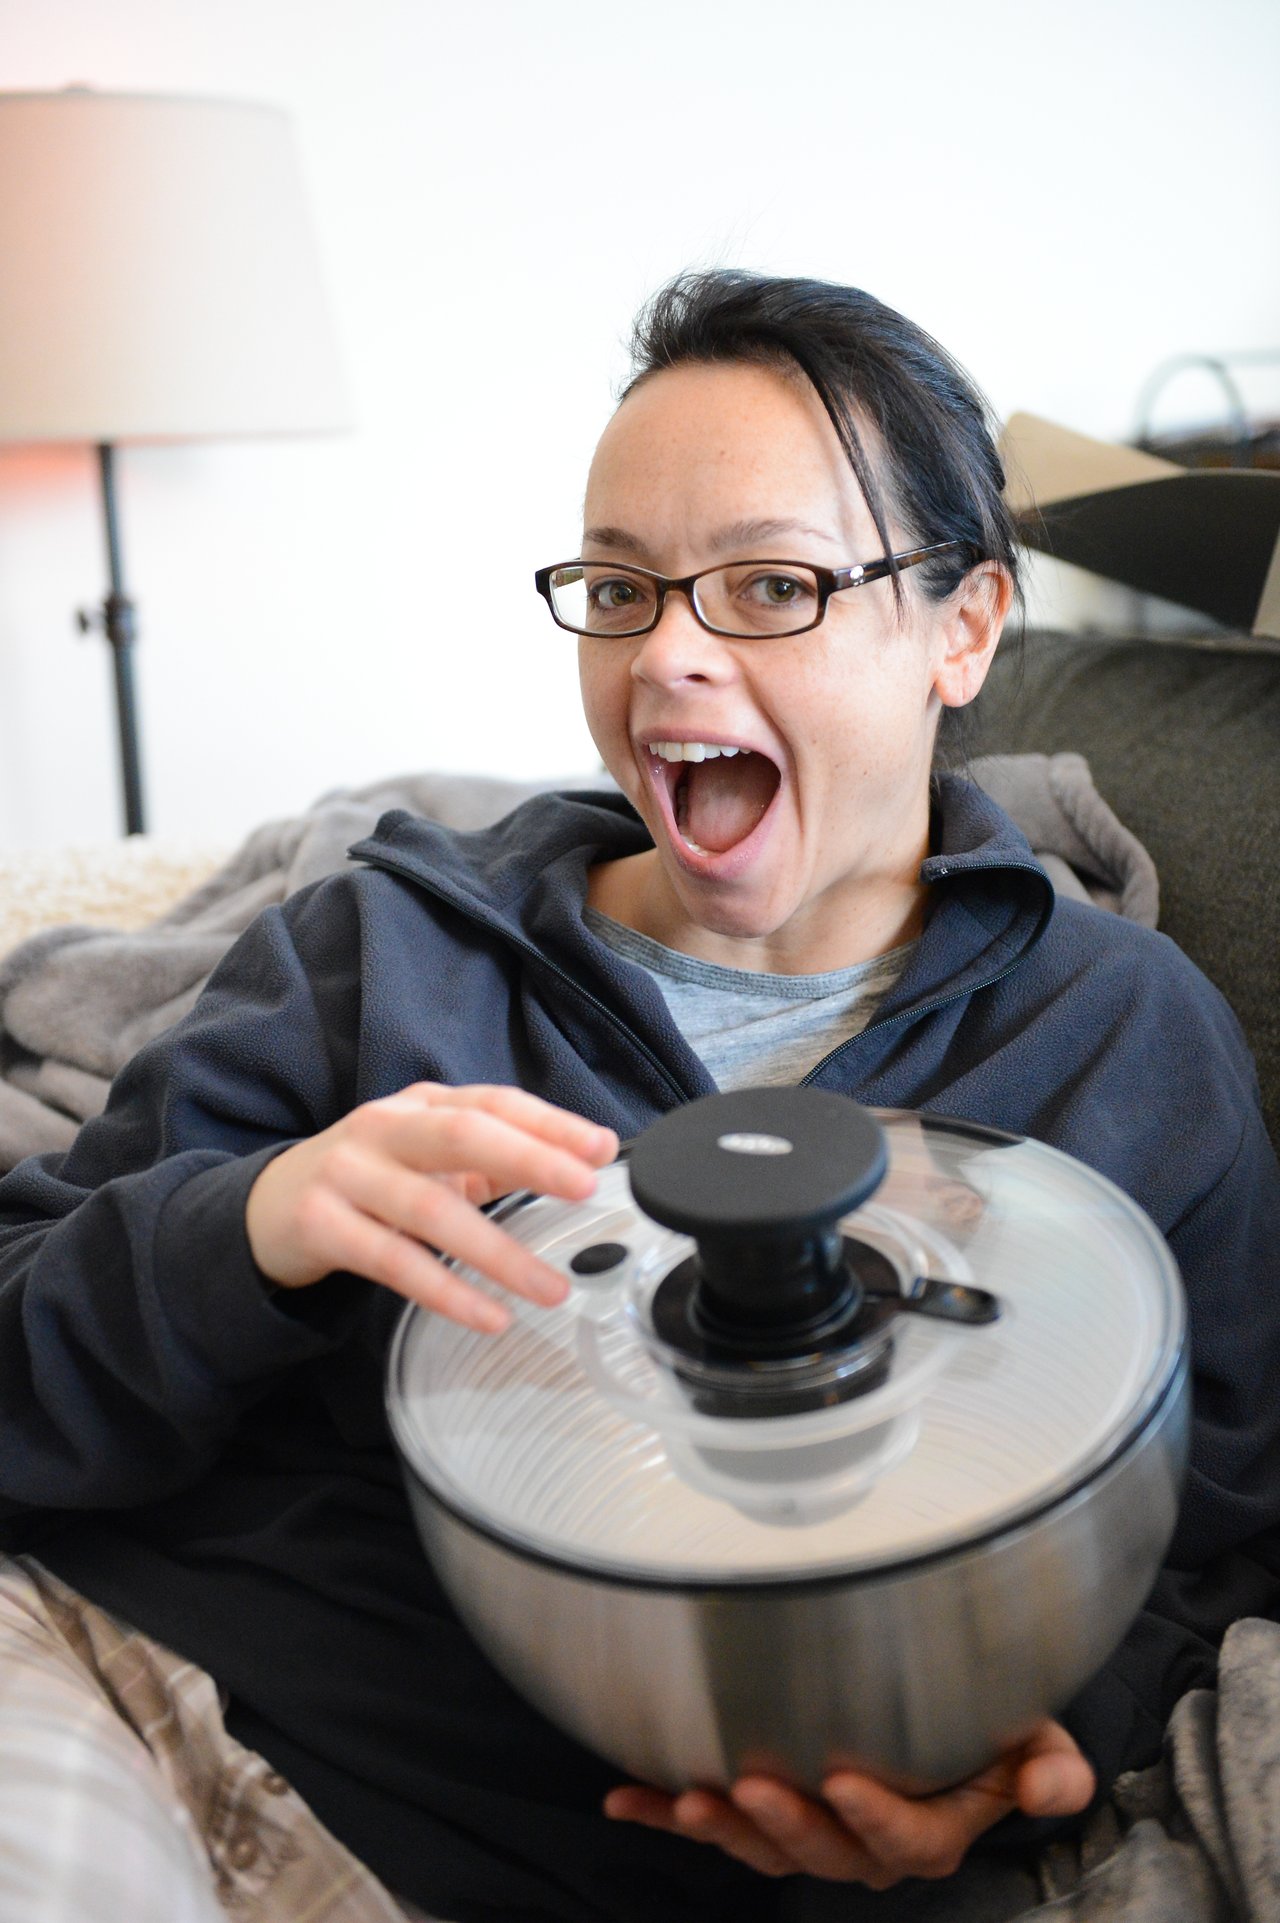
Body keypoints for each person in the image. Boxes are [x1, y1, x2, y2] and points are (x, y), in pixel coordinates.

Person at [0, 269, 1277, 1923]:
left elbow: (1212, 1536)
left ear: (962, 629)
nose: (668, 655)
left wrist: (1025, 1758)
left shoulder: (1117, 1041)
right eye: (619, 587)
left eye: (767, 586)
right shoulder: (391, 949)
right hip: (179, 1716)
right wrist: (245, 1226)